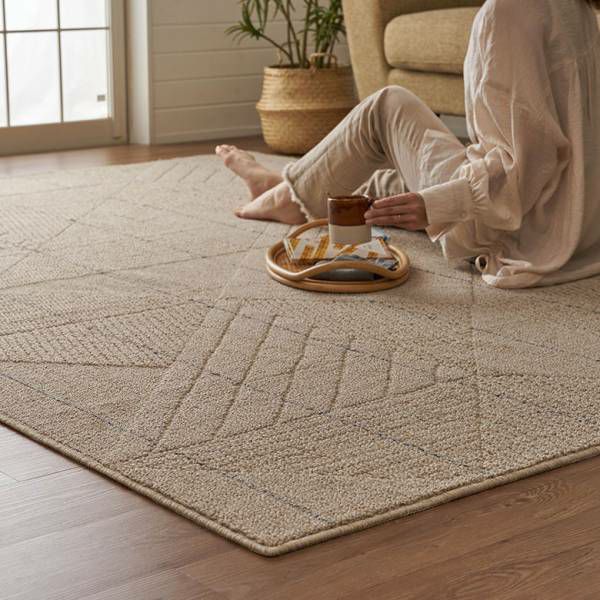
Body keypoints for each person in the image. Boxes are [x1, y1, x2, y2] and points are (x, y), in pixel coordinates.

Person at [217, 0, 600, 288]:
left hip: (517, 228)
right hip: (575, 220)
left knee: (386, 108)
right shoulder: (577, 9)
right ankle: (291, 185)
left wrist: (437, 204)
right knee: (395, 179)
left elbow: (526, 167)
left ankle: (286, 199)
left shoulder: (508, 12)